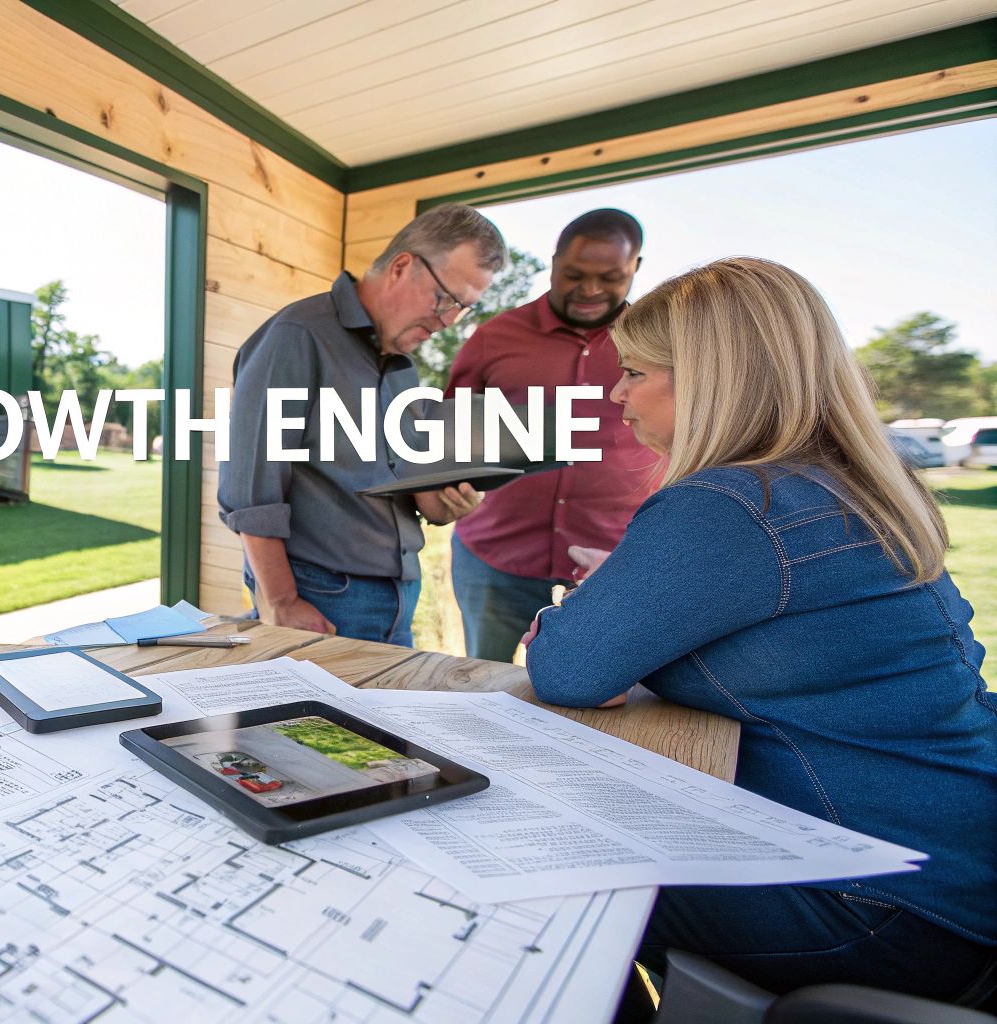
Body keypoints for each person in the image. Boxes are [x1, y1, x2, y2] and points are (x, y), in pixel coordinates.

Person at [524, 257, 997, 1002]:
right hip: (954, 865)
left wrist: (573, 618)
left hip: (875, 900)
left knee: (538, 864)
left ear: (713, 380)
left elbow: (569, 666)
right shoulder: (856, 486)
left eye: (637, 371)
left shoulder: (733, 502)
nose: (616, 393)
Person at [218, 203, 504, 646]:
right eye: (446, 299)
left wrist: (448, 503)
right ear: (402, 266)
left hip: (397, 597)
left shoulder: (402, 366)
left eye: (463, 309)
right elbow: (250, 489)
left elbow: (408, 481)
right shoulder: (298, 335)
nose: (448, 321)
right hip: (321, 597)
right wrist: (280, 600)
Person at [445, 209, 660, 662]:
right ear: (554, 261)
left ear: (636, 268)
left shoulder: (662, 345)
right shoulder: (494, 337)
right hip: (495, 555)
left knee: (605, 698)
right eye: (575, 274)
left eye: (610, 276)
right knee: (480, 686)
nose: (590, 290)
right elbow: (448, 435)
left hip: (616, 561)